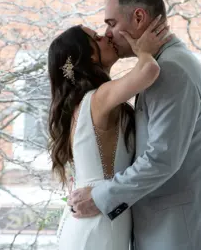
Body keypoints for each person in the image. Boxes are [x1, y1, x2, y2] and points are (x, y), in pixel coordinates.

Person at [68, 0, 201, 250]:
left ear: (138, 17)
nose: (108, 33)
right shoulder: (164, 64)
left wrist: (100, 197)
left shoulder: (170, 71)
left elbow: (161, 160)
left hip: (179, 234)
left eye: (111, 23)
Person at [47, 17, 171, 250]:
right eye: (97, 38)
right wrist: (141, 49)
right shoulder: (97, 98)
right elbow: (149, 69)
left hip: (94, 218)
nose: (106, 36)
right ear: (90, 56)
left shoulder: (84, 102)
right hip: (99, 221)